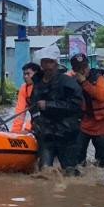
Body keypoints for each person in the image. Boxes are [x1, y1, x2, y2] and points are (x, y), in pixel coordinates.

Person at [29, 46, 84, 174]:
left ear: (56, 63)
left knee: (70, 172)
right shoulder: (37, 83)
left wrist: (49, 105)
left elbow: (75, 105)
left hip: (66, 134)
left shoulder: (67, 82)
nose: (47, 65)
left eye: (50, 62)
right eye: (44, 62)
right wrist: (36, 122)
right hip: (45, 135)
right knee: (45, 172)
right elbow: (32, 105)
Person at [70, 53, 104, 167]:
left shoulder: (98, 78)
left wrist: (84, 82)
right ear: (74, 70)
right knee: (78, 159)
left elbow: (101, 96)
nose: (83, 70)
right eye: (79, 68)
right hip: (83, 123)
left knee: (102, 162)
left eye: (84, 67)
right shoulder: (72, 81)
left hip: (101, 123)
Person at [10, 62, 41, 133]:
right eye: (24, 74)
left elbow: (41, 114)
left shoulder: (42, 86)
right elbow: (20, 112)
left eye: (28, 74)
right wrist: (14, 132)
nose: (25, 76)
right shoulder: (23, 88)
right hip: (34, 121)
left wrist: (28, 128)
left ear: (36, 74)